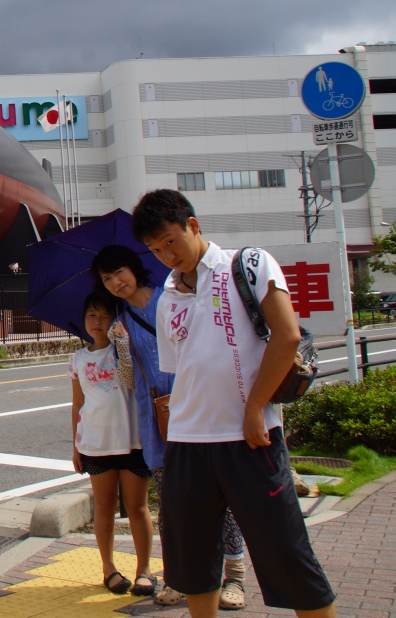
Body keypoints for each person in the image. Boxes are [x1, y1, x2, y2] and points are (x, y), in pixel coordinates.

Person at [131, 189, 336, 618]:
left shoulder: (248, 264)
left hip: (251, 437)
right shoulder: (167, 300)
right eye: (155, 249)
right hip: (187, 444)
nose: (167, 255)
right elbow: (182, 370)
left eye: (171, 241)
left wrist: (254, 407)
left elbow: (288, 335)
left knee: (287, 553)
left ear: (192, 225)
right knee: (191, 561)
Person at [93, 244, 248, 609]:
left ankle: (235, 579)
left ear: (133, 269)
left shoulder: (174, 298)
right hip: (159, 421)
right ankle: (182, 578)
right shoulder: (122, 322)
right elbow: (129, 381)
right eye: (106, 279)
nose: (116, 282)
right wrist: (121, 346)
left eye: (119, 273)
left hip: (202, 411)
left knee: (219, 500)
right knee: (173, 504)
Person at [69, 291, 156, 596]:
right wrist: (76, 445)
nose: (97, 321)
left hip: (134, 442)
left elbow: (133, 383)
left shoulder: (126, 349)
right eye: (92, 315)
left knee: (137, 508)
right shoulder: (78, 359)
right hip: (96, 443)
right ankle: (108, 569)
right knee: (104, 508)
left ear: (115, 318)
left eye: (105, 315)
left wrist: (123, 345)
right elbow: (77, 404)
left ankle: (144, 570)